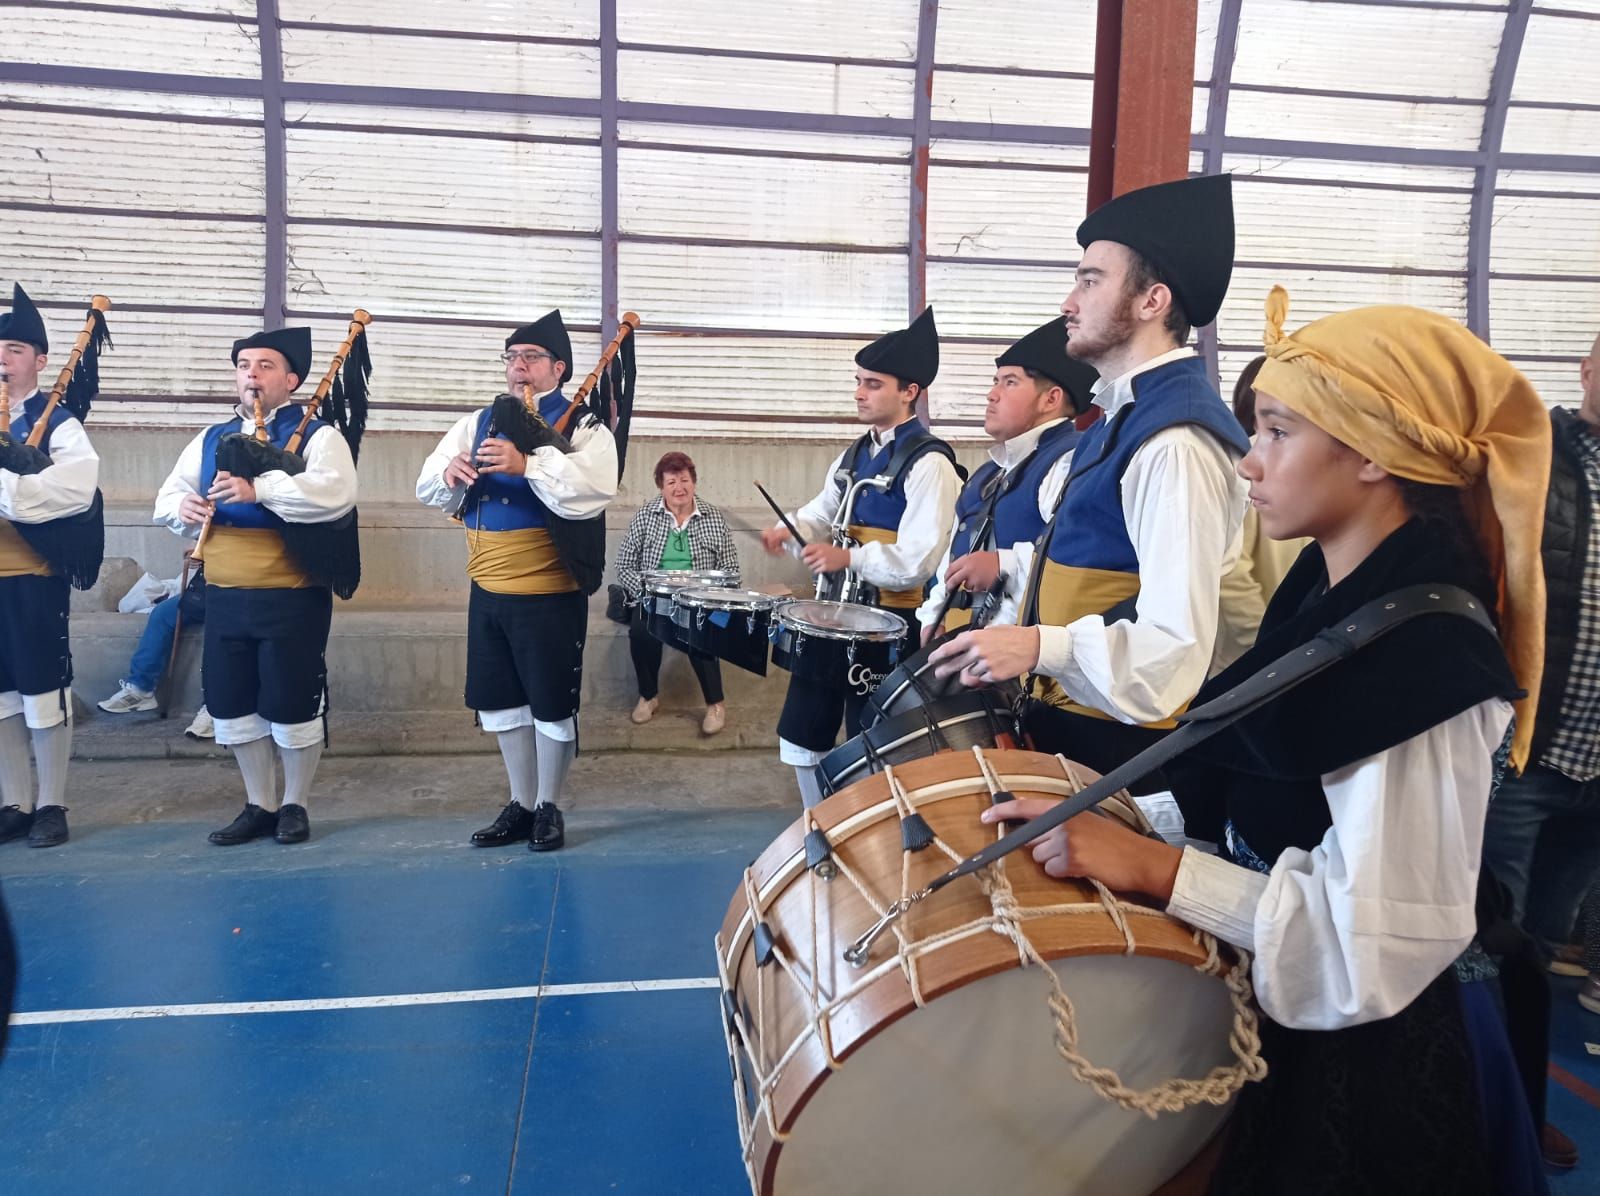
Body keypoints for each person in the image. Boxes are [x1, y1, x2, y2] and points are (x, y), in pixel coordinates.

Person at [984, 288, 1551, 1193]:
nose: (1249, 464)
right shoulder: (1327, 595)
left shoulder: (1428, 660)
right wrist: (1124, 815)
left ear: (1375, 453)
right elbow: (1257, 780)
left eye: (1278, 432)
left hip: (1377, 1061)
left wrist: (1155, 869)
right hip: (1298, 1009)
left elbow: (1375, 940)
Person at [930, 176, 1249, 780]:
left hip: (1119, 751)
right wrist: (1014, 563)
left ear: (1151, 301)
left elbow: (1173, 647)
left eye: (1090, 279)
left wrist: (1036, 646)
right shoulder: (1120, 418)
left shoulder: (1174, 441)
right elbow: (1098, 553)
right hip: (1071, 724)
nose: (1067, 302)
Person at [416, 310, 618, 852]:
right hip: (488, 589)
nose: (519, 367)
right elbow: (427, 482)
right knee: (502, 703)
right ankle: (521, 801)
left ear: (559, 368)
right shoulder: (479, 421)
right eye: (512, 358)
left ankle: (550, 804)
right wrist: (449, 473)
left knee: (551, 703)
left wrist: (527, 464)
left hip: (550, 591)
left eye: (531, 358)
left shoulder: (585, 428)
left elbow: (595, 489)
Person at [153, 326, 359, 846]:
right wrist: (183, 506)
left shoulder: (319, 436)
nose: (252, 374)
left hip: (290, 592)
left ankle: (295, 803)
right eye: (244, 365)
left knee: (291, 702)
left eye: (265, 366)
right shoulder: (209, 438)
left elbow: (333, 496)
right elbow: (169, 493)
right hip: (225, 592)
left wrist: (259, 488)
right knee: (233, 702)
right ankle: (258, 803)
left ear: (290, 379)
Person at [760, 307, 960, 806]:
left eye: (872, 383)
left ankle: (874, 838)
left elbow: (920, 558)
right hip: (836, 617)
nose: (858, 393)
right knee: (802, 735)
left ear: (909, 391)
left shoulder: (930, 463)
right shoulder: (855, 453)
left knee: (872, 743)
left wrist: (847, 560)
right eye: (858, 382)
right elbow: (823, 509)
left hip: (892, 623)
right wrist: (791, 529)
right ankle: (818, 824)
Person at [1480, 329, 1600, 961]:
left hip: (1597, 754)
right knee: (1498, 926)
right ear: (1585, 369)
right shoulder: (1531, 457)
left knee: (1553, 929)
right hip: (1530, 746)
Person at [0, 284, 103, 848]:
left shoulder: (59, 424)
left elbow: (72, 492)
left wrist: (11, 479)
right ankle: (13, 802)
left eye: (14, 348)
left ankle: (51, 803)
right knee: (0, 699)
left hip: (30, 581)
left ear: (40, 361)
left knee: (41, 693)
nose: (2, 358)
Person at [917, 318, 1094, 641]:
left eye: (1009, 383)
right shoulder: (988, 474)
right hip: (965, 644)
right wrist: (934, 615)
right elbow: (953, 558)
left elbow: (1080, 563)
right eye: (995, 381)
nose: (991, 394)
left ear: (1050, 399)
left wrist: (1004, 563)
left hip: (1026, 657)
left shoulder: (1069, 462)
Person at [614, 450, 739, 735]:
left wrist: (712, 597)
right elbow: (624, 565)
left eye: (684, 480)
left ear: (694, 482)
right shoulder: (646, 515)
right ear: (661, 486)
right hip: (653, 597)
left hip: (698, 599)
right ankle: (648, 696)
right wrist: (644, 593)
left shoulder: (713, 518)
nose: (679, 488)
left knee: (703, 633)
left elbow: (731, 570)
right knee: (641, 631)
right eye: (671, 482)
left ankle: (715, 704)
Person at [1211, 355, 1312, 672]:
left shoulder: (1310, 459)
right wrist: (1267, 638)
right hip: (1253, 655)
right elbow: (1229, 570)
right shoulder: (1241, 465)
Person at [97, 565, 213, 739]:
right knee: (162, 614)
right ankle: (141, 688)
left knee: (220, 626)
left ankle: (215, 707)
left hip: (244, 589)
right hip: (208, 587)